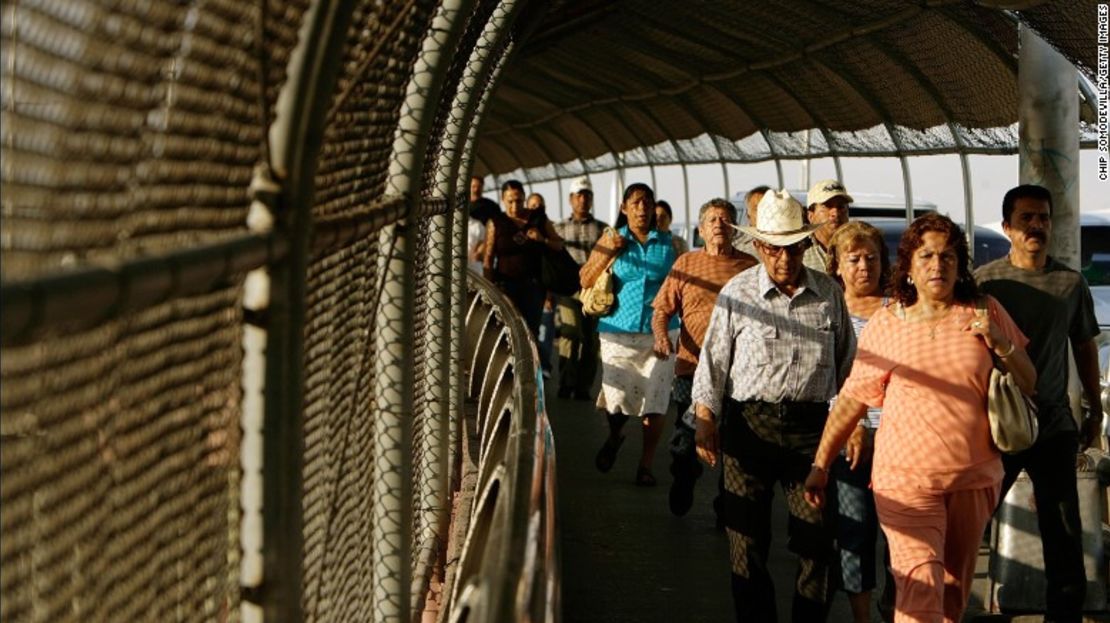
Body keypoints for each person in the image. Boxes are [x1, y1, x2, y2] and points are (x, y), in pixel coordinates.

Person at [803, 213, 1037, 623]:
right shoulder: (888, 322)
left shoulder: (984, 310)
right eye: (926, 255)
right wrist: (821, 464)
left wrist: (999, 343)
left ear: (960, 264)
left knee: (951, 594)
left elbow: (1030, 381)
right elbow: (853, 398)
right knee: (919, 583)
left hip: (973, 479)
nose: (937, 265)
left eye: (947, 256)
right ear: (908, 266)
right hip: (904, 481)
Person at [691, 189, 856, 622]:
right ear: (760, 246)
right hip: (749, 428)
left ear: (805, 245)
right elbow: (713, 361)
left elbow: (848, 369)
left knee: (817, 544)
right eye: (775, 249)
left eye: (794, 248)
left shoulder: (828, 295)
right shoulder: (737, 292)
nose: (785, 258)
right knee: (746, 542)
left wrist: (853, 424)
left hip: (811, 433)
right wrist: (705, 418)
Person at [975, 184, 1105, 623]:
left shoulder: (1070, 283)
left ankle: (1063, 616)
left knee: (1063, 531)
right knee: (974, 519)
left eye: (1044, 218)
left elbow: (1086, 348)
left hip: (1053, 424)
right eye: (1027, 218)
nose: (1036, 226)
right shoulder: (986, 281)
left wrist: (1095, 410)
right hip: (996, 426)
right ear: (1008, 227)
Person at [651, 198, 756, 518]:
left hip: (739, 371)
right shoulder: (686, 263)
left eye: (726, 219)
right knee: (686, 436)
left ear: (735, 228)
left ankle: (728, 503)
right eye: (712, 219)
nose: (719, 224)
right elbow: (661, 309)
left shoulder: (750, 267)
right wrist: (660, 337)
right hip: (691, 366)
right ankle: (684, 477)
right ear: (701, 229)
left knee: (735, 441)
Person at [580, 183, 678, 486]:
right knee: (617, 398)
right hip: (616, 329)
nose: (642, 208)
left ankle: (645, 465)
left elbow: (681, 285)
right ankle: (615, 434)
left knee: (656, 400)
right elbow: (585, 277)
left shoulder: (669, 243)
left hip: (660, 331)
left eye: (647, 202)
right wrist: (609, 251)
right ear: (624, 208)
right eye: (635, 202)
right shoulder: (612, 238)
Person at [823, 221, 894, 623]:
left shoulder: (898, 311)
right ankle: (861, 614)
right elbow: (830, 375)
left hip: (896, 437)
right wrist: (851, 425)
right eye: (854, 259)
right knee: (854, 529)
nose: (864, 267)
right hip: (845, 436)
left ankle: (896, 601)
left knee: (898, 531)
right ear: (837, 265)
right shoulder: (827, 310)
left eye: (871, 258)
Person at [483, 180, 563, 337]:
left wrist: (542, 239)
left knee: (530, 332)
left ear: (524, 198)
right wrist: (489, 289)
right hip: (505, 286)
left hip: (533, 286)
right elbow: (488, 258)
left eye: (518, 201)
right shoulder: (495, 223)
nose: (514, 206)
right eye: (510, 202)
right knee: (507, 332)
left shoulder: (538, 219)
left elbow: (559, 245)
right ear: (502, 200)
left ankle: (531, 361)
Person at [554, 177, 608, 400]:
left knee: (591, 339)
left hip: (594, 292)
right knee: (570, 332)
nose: (583, 199)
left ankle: (584, 386)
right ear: (571, 199)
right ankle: (566, 382)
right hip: (568, 289)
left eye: (587, 195)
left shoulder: (602, 229)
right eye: (579, 195)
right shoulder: (559, 229)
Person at [528, 192, 557, 378]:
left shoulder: (548, 230)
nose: (537, 209)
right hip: (525, 288)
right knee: (529, 330)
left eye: (540, 205)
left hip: (545, 289)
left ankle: (544, 365)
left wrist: (549, 293)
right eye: (533, 205)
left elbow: (555, 260)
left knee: (545, 330)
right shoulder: (521, 230)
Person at [803, 179, 852, 273]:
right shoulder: (799, 251)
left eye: (841, 207)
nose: (835, 213)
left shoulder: (859, 248)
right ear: (811, 216)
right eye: (827, 206)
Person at [467, 175, 502, 273]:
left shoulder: (491, 205)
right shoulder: (463, 205)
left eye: (479, 186)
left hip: (486, 242)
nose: (476, 189)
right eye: (473, 186)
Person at [734, 185, 769, 257]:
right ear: (748, 215)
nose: (764, 212)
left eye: (768, 207)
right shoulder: (737, 247)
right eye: (757, 209)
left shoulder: (791, 244)